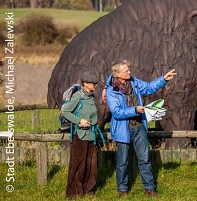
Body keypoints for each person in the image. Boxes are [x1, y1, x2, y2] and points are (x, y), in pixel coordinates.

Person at [105, 60, 176, 198]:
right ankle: (122, 190)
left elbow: (149, 87)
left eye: (129, 70)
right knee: (122, 162)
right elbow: (117, 112)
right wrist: (135, 110)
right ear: (118, 74)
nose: (129, 72)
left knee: (144, 159)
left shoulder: (134, 82)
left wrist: (163, 79)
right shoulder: (111, 91)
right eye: (126, 71)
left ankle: (149, 188)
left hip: (139, 128)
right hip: (122, 130)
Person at [62, 71, 99, 199]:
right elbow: (65, 111)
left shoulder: (91, 97)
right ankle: (74, 193)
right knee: (77, 164)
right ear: (85, 83)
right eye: (93, 83)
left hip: (91, 135)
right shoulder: (78, 96)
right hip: (80, 135)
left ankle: (89, 191)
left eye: (96, 83)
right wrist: (79, 121)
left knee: (91, 164)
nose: (96, 85)